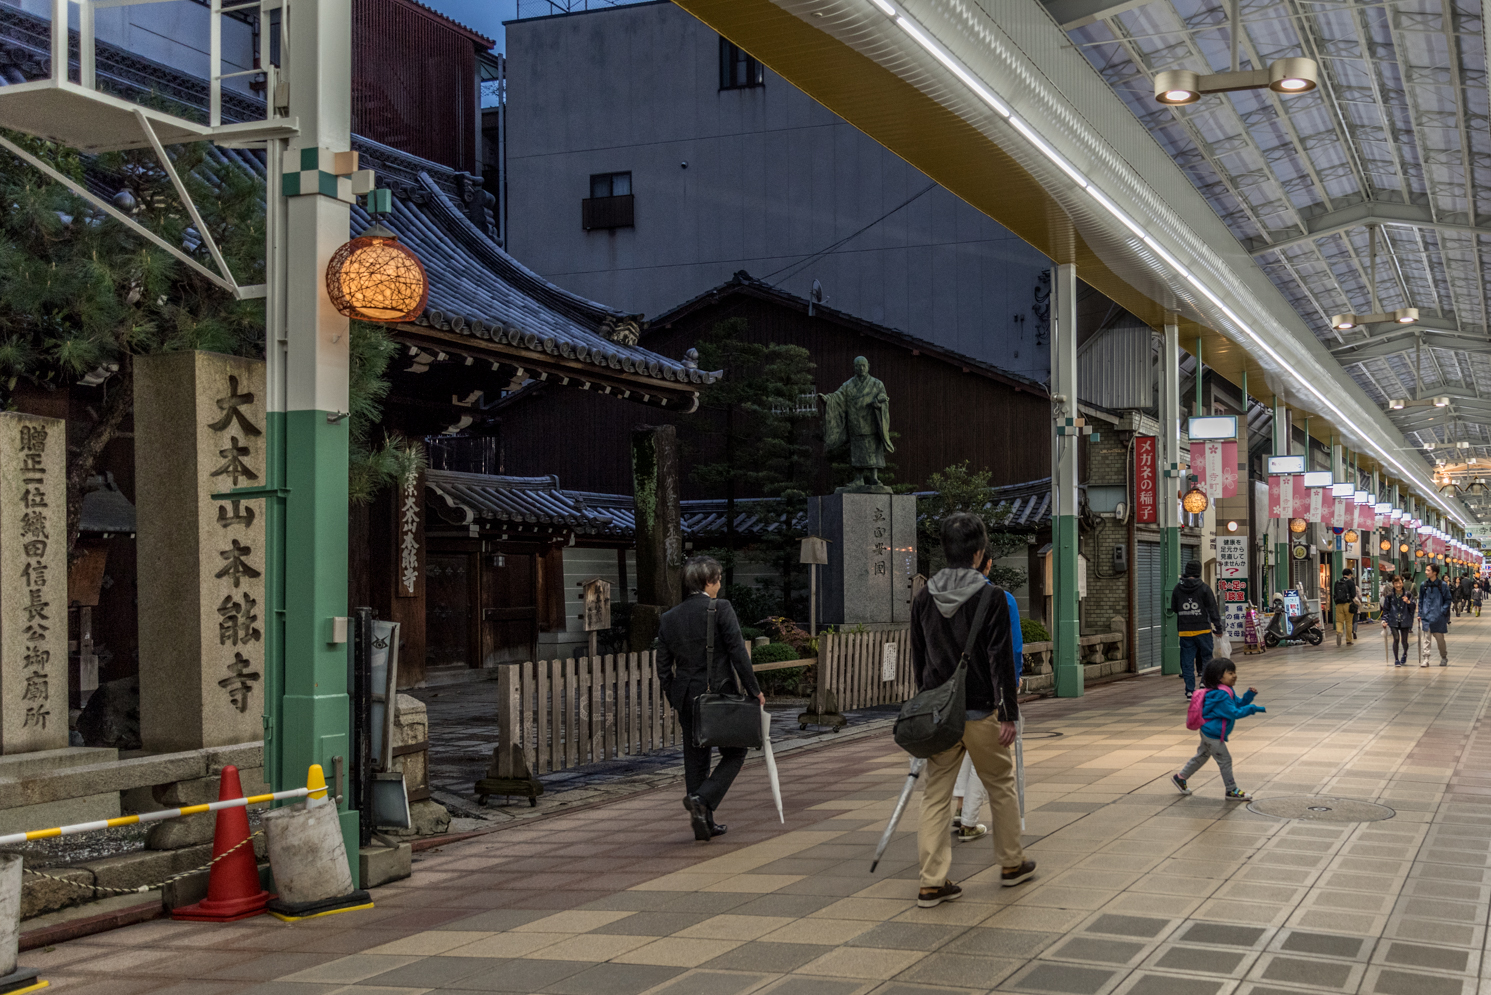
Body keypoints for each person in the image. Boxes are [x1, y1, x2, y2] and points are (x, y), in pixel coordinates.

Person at [910, 512, 1034, 909]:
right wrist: (1010, 714)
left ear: (946, 551)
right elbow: (1002, 662)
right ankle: (1011, 863)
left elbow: (919, 660)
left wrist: (926, 704)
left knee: (935, 795)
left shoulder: (924, 598)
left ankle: (932, 880)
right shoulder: (993, 597)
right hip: (981, 711)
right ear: (980, 553)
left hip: (939, 715)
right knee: (1000, 784)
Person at [654, 555, 764, 841]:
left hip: (686, 695)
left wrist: (673, 695)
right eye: (717, 580)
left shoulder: (669, 618)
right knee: (736, 751)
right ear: (707, 582)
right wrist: (754, 690)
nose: (718, 585)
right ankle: (702, 799)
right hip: (718, 691)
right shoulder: (720, 608)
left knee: (695, 757)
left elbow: (663, 667)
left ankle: (704, 822)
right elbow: (738, 652)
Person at [951, 552, 1027, 844]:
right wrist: (1012, 686)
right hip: (989, 693)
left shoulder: (945, 598)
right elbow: (1012, 648)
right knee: (991, 761)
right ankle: (970, 821)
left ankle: (960, 810)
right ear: (988, 563)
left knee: (966, 753)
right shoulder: (1001, 598)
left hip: (954, 693)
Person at [1172, 657, 1265, 801]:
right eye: (1230, 673)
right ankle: (1231, 790)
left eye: (1234, 672)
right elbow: (1234, 712)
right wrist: (1252, 708)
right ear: (1218, 677)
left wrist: (1249, 696)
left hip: (1208, 730)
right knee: (1225, 760)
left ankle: (1180, 777)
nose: (1234, 675)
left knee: (1202, 755)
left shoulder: (1226, 690)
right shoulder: (1221, 695)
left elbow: (1238, 704)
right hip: (1212, 733)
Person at [1170, 561, 1221, 700]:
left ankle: (1189, 691)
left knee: (1187, 661)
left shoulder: (1177, 589)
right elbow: (1212, 609)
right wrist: (1218, 627)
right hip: (1203, 629)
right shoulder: (1204, 588)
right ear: (1198, 572)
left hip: (1185, 630)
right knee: (1206, 658)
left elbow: (1174, 608)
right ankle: (1204, 682)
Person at [1419, 564, 1453, 667]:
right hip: (1426, 616)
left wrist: (1442, 611)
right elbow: (1421, 600)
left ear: (1435, 572)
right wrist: (1420, 613)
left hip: (1438, 617)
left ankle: (1443, 657)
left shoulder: (1442, 585)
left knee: (1440, 639)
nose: (1426, 572)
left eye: (1428, 570)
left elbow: (1448, 599)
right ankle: (1426, 658)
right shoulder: (1423, 585)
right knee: (1426, 639)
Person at [1381, 575, 1415, 667]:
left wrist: (1408, 602)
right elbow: (1386, 609)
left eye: (1400, 583)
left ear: (1402, 583)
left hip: (1405, 620)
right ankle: (1396, 659)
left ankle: (1404, 653)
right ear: (1393, 584)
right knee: (1396, 639)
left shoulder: (1408, 594)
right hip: (1393, 620)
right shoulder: (1389, 596)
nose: (1398, 585)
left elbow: (1413, 607)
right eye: (1396, 583)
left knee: (1404, 641)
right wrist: (1384, 620)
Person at [1332, 568, 1358, 646]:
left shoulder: (1337, 582)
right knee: (1349, 623)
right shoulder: (1351, 582)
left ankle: (1339, 632)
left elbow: (1335, 594)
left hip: (1339, 605)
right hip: (1348, 605)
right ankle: (1348, 640)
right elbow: (1353, 595)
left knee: (1339, 621)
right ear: (1349, 574)